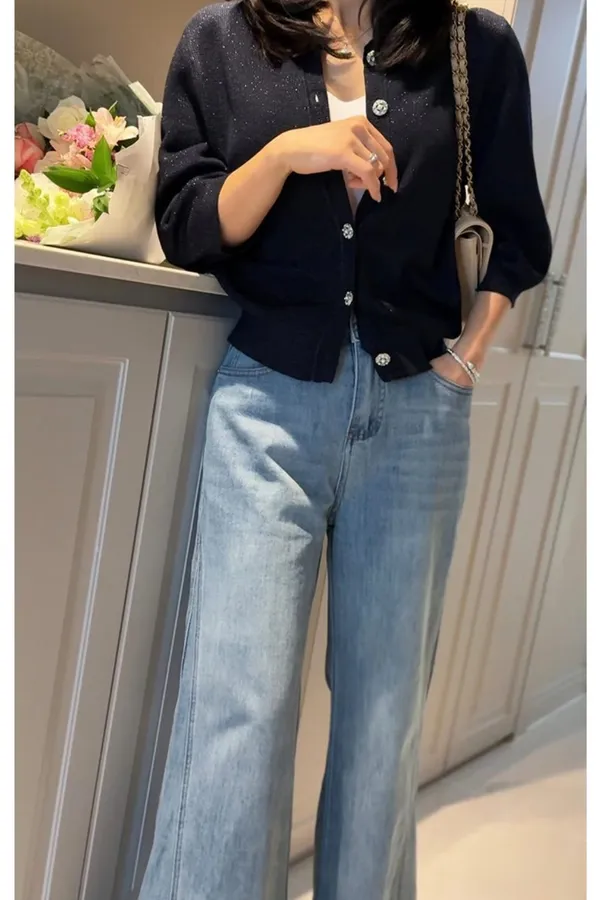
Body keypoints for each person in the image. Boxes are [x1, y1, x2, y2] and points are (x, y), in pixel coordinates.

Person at [139, 0, 551, 898]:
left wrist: (466, 359)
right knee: (238, 712)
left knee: (383, 720)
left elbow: (517, 234)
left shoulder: (472, 46)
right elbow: (187, 220)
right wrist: (290, 153)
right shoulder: (224, 39)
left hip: (418, 416)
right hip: (268, 408)